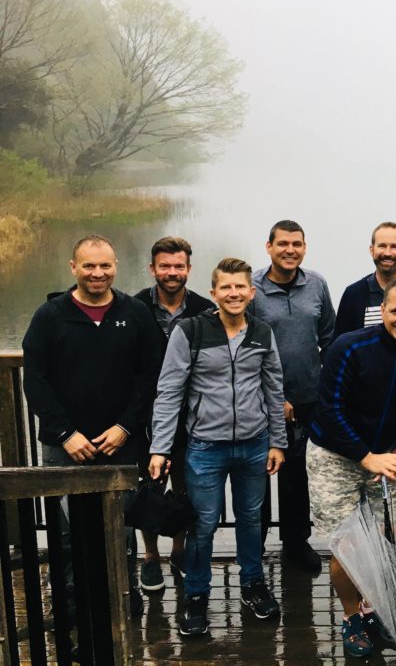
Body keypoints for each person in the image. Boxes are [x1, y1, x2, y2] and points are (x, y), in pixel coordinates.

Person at [22, 234, 163, 620]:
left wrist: (126, 427)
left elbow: (151, 376)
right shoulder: (50, 316)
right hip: (65, 446)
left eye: (105, 266)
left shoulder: (135, 313)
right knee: (66, 530)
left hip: (121, 443)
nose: (97, 273)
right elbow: (35, 379)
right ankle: (70, 601)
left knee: (121, 524)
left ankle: (122, 593)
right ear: (73, 268)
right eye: (89, 265)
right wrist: (65, 433)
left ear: (115, 266)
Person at [149, 258, 287, 637]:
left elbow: (274, 389)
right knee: (204, 524)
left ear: (251, 292)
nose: (234, 293)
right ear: (214, 293)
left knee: (251, 518)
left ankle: (252, 585)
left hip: (255, 444)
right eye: (226, 287)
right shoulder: (190, 331)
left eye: (240, 287)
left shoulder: (262, 331)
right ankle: (195, 596)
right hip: (204, 447)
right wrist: (160, 447)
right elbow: (169, 390)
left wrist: (278, 441)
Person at [307, 277, 396, 658]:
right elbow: (329, 409)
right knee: (348, 547)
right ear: (381, 311)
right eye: (395, 310)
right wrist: (365, 457)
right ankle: (352, 617)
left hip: (388, 457)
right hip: (337, 456)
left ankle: (377, 604)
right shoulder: (348, 347)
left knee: (395, 536)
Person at [251, 219, 335, 573]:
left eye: (297, 244)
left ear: (304, 247)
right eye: (282, 243)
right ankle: (252, 544)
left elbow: (329, 337)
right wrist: (274, 397)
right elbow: (246, 345)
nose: (290, 250)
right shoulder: (252, 289)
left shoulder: (316, 284)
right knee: (257, 474)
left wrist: (329, 389)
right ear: (268, 246)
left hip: (308, 398)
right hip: (261, 398)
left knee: (298, 475)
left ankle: (295, 543)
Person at [134, 236, 214, 593]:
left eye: (178, 266)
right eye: (164, 266)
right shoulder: (134, 308)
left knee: (185, 488)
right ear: (152, 268)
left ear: (188, 269)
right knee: (148, 489)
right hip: (143, 416)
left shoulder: (204, 308)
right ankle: (150, 558)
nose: (171, 272)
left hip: (193, 416)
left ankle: (179, 551)